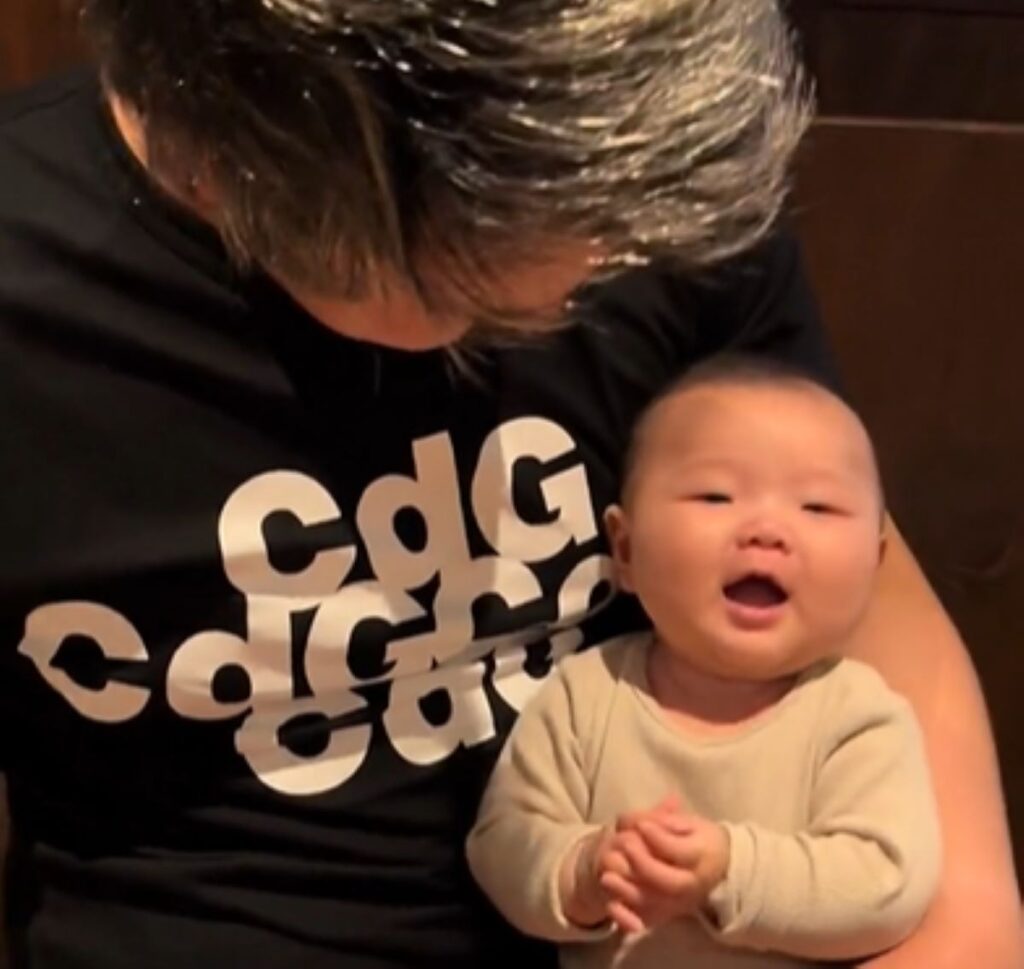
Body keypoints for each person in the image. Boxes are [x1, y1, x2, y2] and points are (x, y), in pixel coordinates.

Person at [0, 1, 1018, 967]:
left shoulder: (641, 159)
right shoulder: (33, 280)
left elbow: (861, 588)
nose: (605, 258)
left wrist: (961, 923)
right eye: (506, 248)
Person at [467, 358, 943, 968]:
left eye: (818, 507)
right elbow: (502, 842)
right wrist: (582, 870)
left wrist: (728, 869)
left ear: (874, 564)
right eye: (716, 496)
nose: (767, 530)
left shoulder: (858, 715)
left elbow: (887, 884)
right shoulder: (586, 694)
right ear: (625, 548)